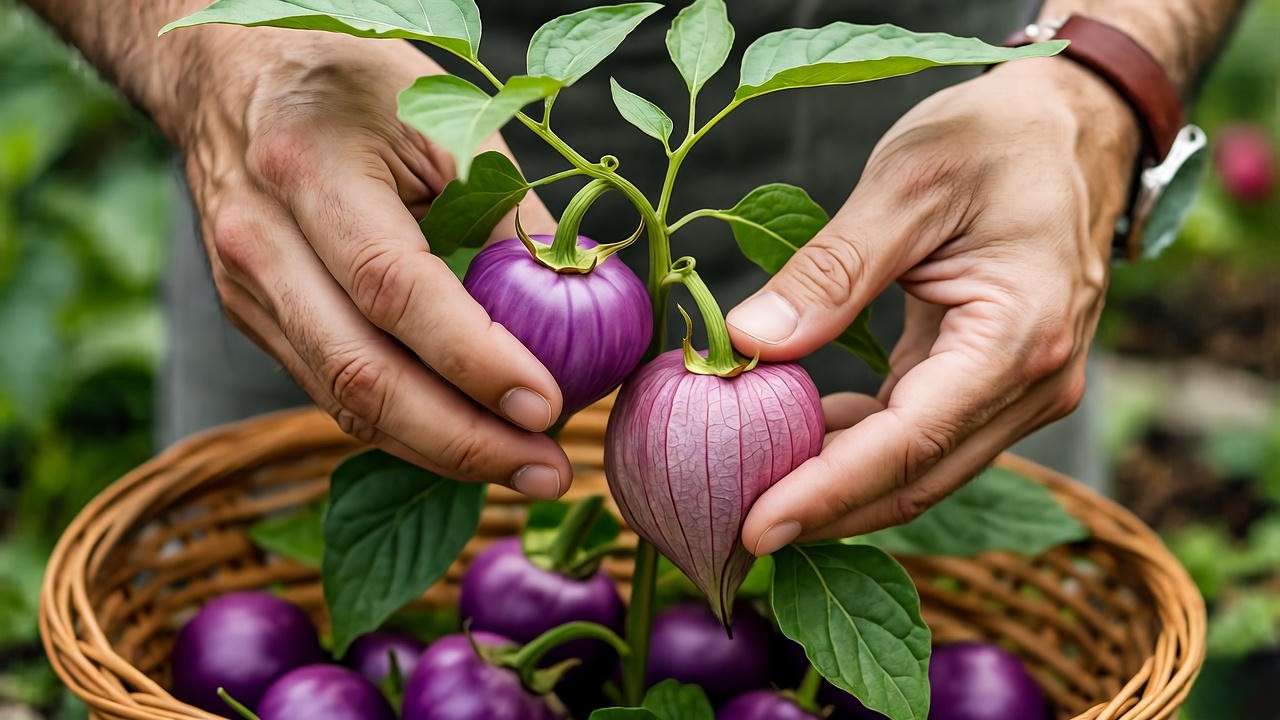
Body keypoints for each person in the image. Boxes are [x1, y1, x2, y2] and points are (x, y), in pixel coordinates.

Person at [22, 0, 1243, 555]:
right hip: (350, 137)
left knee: (989, 592)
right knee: (275, 582)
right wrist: (198, 44)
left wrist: (1103, 81)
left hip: (960, 140)